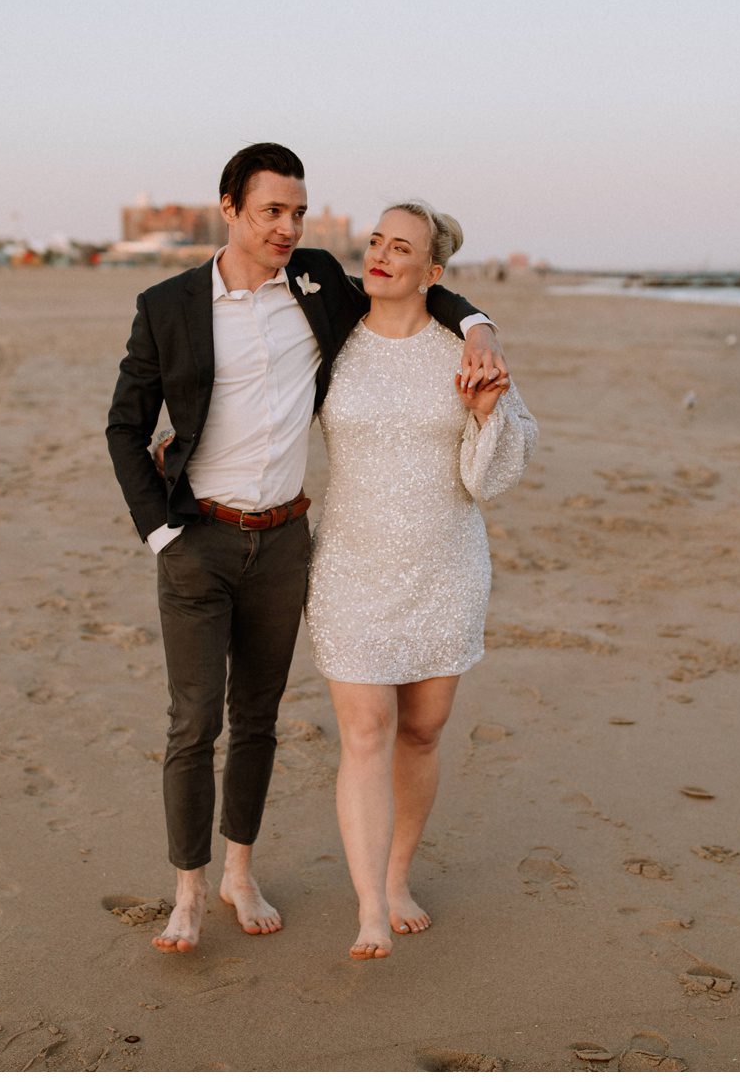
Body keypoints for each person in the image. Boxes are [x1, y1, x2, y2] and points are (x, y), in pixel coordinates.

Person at [105, 144, 506, 954]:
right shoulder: (167, 305)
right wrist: (161, 531)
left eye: (297, 212)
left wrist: (475, 324)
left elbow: (417, 282)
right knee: (194, 722)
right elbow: (125, 425)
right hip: (196, 540)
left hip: (285, 541)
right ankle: (187, 892)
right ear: (229, 208)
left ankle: (239, 872)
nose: (288, 228)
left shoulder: (317, 284)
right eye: (271, 212)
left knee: (258, 719)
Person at [305, 201, 538, 959]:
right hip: (350, 567)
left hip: (445, 567)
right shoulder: (331, 340)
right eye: (375, 241)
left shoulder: (463, 351)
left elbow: (489, 479)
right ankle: (370, 907)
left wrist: (486, 414)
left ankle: (398, 875)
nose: (379, 255)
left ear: (431, 272)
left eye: (400, 247)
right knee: (365, 731)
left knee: (422, 731)